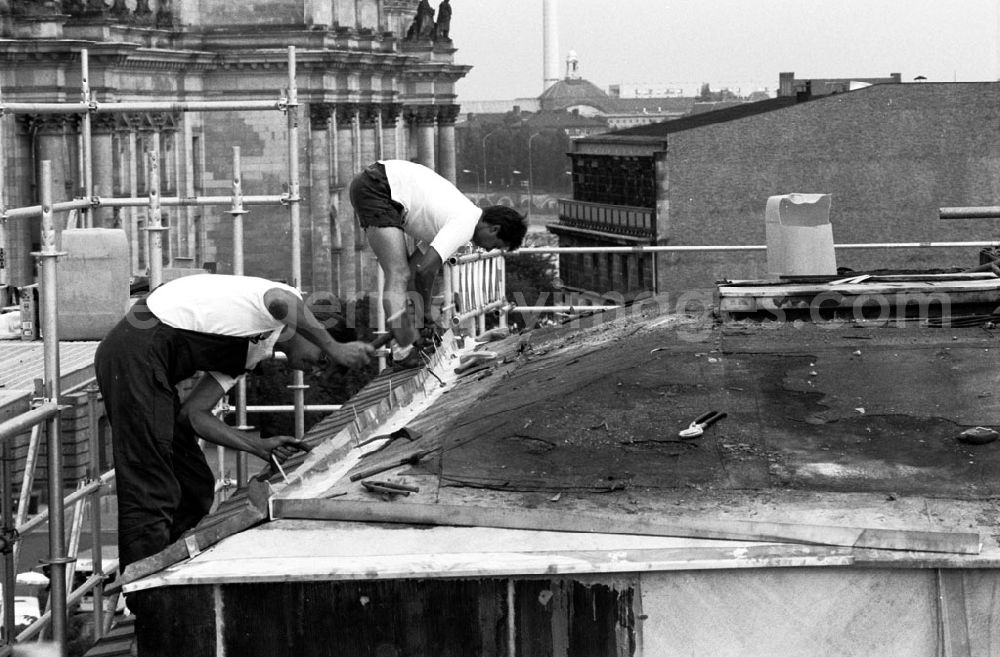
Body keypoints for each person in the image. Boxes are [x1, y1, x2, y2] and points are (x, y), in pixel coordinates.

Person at [94, 273, 374, 570]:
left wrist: (257, 445)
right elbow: (281, 303)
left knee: (193, 484)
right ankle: (141, 585)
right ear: (311, 329)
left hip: (148, 363)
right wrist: (335, 347)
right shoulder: (276, 305)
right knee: (151, 487)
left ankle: (173, 569)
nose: (317, 368)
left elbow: (194, 414)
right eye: (322, 358)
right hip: (135, 352)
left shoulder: (253, 350)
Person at [350, 159, 527, 367]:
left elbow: (417, 269)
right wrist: (425, 312)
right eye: (495, 245)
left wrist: (419, 319)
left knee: (404, 274)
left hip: (378, 184)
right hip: (378, 187)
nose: (488, 250)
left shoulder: (456, 218)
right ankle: (403, 351)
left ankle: (403, 347)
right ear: (494, 229)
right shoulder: (465, 224)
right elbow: (426, 271)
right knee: (398, 274)